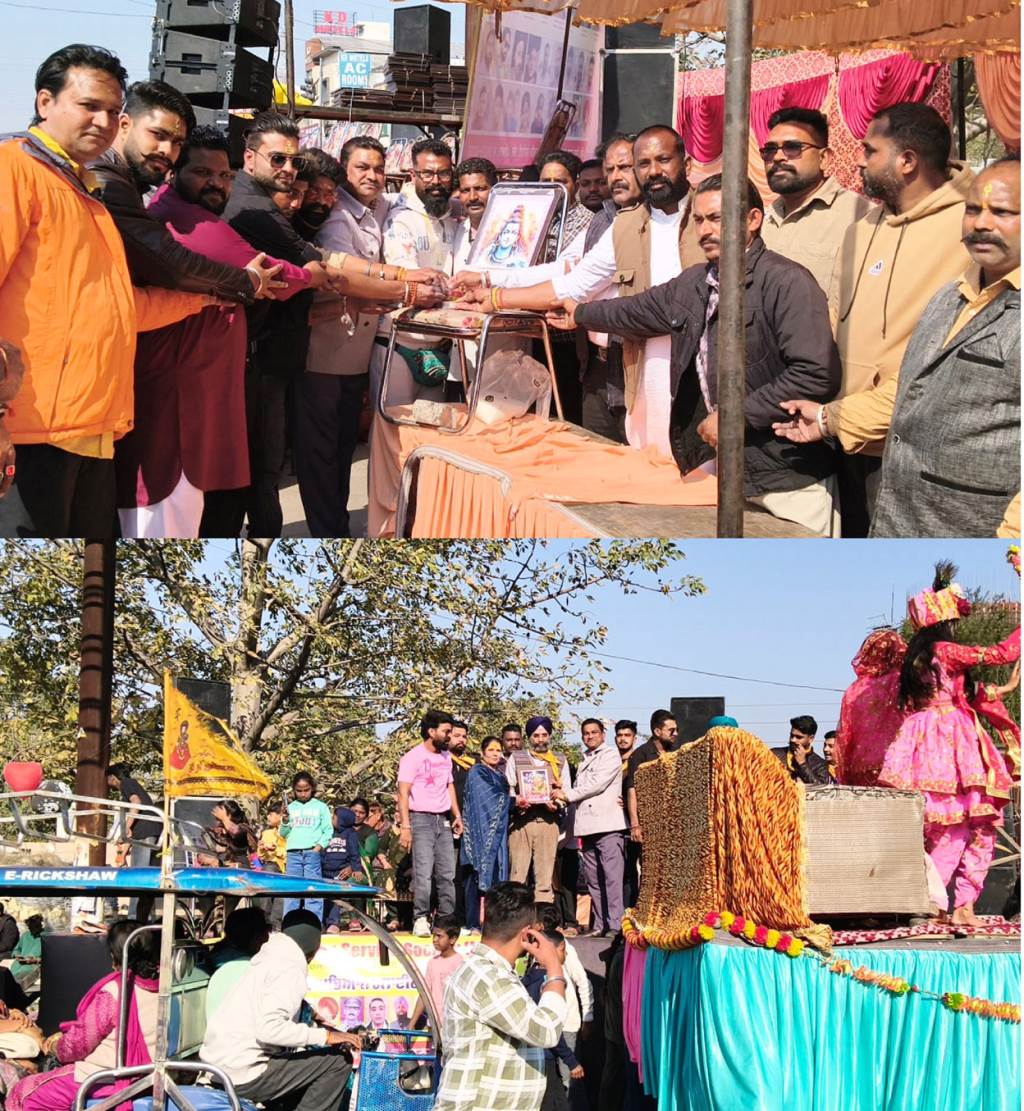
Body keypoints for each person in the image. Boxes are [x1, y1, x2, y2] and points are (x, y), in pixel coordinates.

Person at [0, 45, 215, 537]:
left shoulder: (86, 194)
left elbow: (118, 309)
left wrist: (202, 298)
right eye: (89, 105)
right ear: (45, 103)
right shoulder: (14, 171)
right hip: (30, 432)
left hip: (90, 431)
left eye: (113, 111)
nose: (103, 120)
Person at [566, 174, 842, 536]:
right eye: (699, 220)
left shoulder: (787, 282)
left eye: (718, 218)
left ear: (753, 220)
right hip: (727, 474)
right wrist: (577, 313)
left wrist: (734, 417)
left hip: (789, 478)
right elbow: (635, 310)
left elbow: (814, 373)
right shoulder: (696, 282)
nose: (706, 230)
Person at [776, 103, 974, 536]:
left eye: (870, 150)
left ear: (907, 161)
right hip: (839, 433)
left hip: (914, 450)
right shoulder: (863, 227)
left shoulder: (970, 230)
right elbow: (832, 318)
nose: (859, 159)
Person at [868, 157, 1021, 538]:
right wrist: (829, 419)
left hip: (978, 542)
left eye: (1001, 212)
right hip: (898, 526)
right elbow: (913, 390)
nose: (981, 224)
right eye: (973, 209)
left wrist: (1008, 552)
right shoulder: (949, 296)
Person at [299, 136, 442, 537]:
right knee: (322, 453)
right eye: (363, 167)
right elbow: (346, 276)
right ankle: (328, 533)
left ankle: (338, 526)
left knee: (345, 448)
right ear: (345, 169)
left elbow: (418, 203)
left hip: (358, 350)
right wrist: (407, 287)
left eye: (379, 168)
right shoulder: (335, 214)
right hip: (325, 348)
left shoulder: (381, 206)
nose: (373, 176)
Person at [879, 563, 1020, 926]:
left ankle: (948, 903)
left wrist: (997, 692)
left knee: (952, 825)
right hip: (951, 740)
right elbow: (1001, 654)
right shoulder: (946, 650)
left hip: (924, 739)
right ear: (945, 621)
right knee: (967, 825)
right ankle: (948, 903)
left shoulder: (917, 659)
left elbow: (961, 693)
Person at [200, 920, 360, 1111]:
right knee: (337, 1061)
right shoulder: (290, 969)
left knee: (304, 1062)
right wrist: (327, 1037)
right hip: (244, 1072)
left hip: (221, 1064)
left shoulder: (269, 959)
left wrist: (322, 1026)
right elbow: (270, 1029)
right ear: (314, 946)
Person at [434, 881, 567, 1111]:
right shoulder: (489, 978)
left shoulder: (488, 971)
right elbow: (546, 1031)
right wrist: (554, 967)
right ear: (528, 933)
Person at [6, 920, 160, 1111]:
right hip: (144, 1075)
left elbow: (77, 1045)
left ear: (116, 955)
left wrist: (55, 1045)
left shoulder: (115, 992)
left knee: (22, 1093)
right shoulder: (163, 989)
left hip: (104, 1078)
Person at [759, 107, 871, 295]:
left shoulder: (860, 217)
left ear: (824, 158)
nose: (777, 157)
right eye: (770, 150)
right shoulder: (762, 218)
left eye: (792, 147)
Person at [382, 138, 459, 406]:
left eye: (444, 173)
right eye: (427, 173)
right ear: (412, 174)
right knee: (393, 432)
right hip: (399, 344)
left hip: (440, 346)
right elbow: (415, 282)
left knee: (432, 434)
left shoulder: (453, 216)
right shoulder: (399, 218)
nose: (436, 181)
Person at [554, 719, 626, 937]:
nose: (590, 736)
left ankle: (615, 925)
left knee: (612, 879)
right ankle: (600, 924)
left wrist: (567, 795)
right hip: (586, 827)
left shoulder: (611, 755)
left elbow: (597, 783)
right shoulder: (585, 758)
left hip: (608, 825)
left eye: (594, 732)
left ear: (603, 734)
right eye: (586, 733)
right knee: (593, 880)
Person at [397, 710, 464, 937]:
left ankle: (446, 921)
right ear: (431, 732)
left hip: (443, 819)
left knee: (447, 874)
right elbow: (403, 793)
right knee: (423, 873)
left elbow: (449, 786)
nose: (449, 737)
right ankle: (420, 918)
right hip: (420, 819)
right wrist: (405, 827)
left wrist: (457, 815)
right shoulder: (412, 757)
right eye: (446, 732)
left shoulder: (446, 757)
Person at [507, 716, 571, 906]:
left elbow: (565, 791)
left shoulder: (559, 760)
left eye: (544, 735)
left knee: (544, 877)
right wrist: (517, 800)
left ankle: (543, 922)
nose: (540, 739)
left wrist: (557, 803)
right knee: (518, 875)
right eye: (536, 735)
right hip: (521, 823)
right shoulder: (516, 758)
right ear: (529, 737)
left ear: (549, 736)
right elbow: (508, 787)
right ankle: (516, 922)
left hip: (548, 822)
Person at [833, 629, 909, 786]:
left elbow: (845, 735)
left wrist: (845, 772)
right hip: (896, 764)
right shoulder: (901, 682)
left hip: (859, 766)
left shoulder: (854, 689)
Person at [521, 930, 583, 1111]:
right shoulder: (547, 981)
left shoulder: (530, 976)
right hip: (546, 1057)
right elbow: (550, 1026)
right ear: (560, 948)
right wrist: (571, 1061)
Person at [461, 736, 511, 929]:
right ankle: (472, 923)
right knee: (474, 878)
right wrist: (513, 800)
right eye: (491, 750)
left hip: (497, 834)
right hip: (477, 835)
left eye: (498, 750)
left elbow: (503, 798)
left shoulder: (500, 776)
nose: (495, 754)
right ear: (482, 753)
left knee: (497, 880)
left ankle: (494, 925)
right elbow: (493, 800)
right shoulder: (476, 772)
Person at [106, 763, 162, 921]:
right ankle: (146, 916)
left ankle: (133, 918)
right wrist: (123, 854)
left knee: (139, 877)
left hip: (145, 834)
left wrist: (126, 826)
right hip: (150, 833)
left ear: (113, 778)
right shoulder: (134, 785)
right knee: (148, 877)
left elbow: (136, 803)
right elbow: (133, 833)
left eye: (107, 779)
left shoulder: (127, 784)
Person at [281, 771, 334, 921]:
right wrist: (285, 820)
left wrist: (318, 847)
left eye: (306, 790)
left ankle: (314, 923)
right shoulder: (291, 807)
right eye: (299, 791)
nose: (303, 794)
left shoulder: (321, 807)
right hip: (293, 853)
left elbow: (328, 830)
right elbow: (284, 833)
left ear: (312, 788)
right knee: (292, 890)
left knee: (313, 890)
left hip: (312, 852)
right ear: (294, 790)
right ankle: (289, 923)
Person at [206, 908, 271, 1021]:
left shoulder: (216, 955)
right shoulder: (249, 967)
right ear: (255, 936)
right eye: (265, 932)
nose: (267, 938)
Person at [624, 710, 678, 844]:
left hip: (673, 822)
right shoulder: (640, 755)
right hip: (648, 822)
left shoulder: (677, 753)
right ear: (657, 732)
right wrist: (635, 825)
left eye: (676, 729)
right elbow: (632, 790)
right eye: (671, 730)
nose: (676, 733)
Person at [410, 914, 463, 1029]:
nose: (434, 940)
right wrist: (412, 1023)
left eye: (439, 936)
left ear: (453, 939)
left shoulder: (460, 964)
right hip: (434, 1027)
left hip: (453, 1027)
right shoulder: (432, 963)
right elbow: (425, 995)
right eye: (434, 935)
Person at [322, 807, 365, 933]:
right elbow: (322, 849)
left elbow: (354, 853)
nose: (332, 819)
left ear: (342, 820)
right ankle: (323, 922)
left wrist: (356, 868)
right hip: (325, 870)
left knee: (335, 895)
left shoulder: (350, 834)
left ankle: (334, 923)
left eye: (334, 817)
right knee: (323, 897)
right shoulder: (327, 832)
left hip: (340, 872)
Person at [772, 716, 833, 784]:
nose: (793, 740)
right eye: (792, 735)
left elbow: (822, 789)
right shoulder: (775, 754)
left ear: (811, 738)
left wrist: (802, 764)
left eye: (799, 737)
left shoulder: (820, 764)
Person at [8, 915, 43, 992]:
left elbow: (51, 958)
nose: (31, 930)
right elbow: (17, 949)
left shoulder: (45, 938)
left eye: (33, 928)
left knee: (18, 981)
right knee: (8, 978)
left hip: (34, 966)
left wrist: (35, 960)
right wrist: (17, 955)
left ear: (39, 926)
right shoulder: (26, 935)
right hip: (19, 964)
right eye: (30, 928)